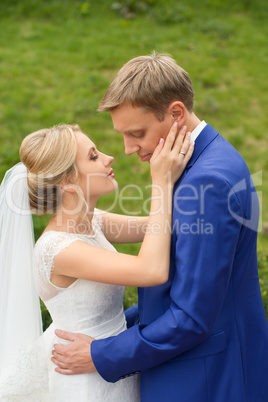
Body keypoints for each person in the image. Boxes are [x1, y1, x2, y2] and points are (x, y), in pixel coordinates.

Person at [52, 52, 268, 402]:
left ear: (176, 113)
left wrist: (100, 353)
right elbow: (179, 287)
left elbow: (192, 318)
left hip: (205, 378)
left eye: (137, 133)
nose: (127, 149)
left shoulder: (206, 183)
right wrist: (107, 329)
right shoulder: (203, 160)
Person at [0, 122, 193, 401]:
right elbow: (151, 270)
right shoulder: (58, 249)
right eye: (93, 156)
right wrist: (161, 183)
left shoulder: (93, 221)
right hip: (87, 383)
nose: (109, 157)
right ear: (66, 182)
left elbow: (161, 227)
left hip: (107, 361)